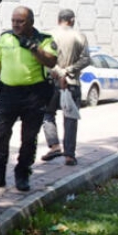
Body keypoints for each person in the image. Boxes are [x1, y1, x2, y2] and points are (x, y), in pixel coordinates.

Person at [0, 6, 57, 192]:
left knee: (29, 138)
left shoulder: (44, 40)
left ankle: (22, 174)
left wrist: (33, 47)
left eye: (20, 21)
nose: (16, 24)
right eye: (13, 20)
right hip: (7, 95)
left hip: (34, 95)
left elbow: (51, 61)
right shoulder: (5, 37)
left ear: (30, 21)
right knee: (0, 136)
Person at [40, 9, 90, 167]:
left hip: (50, 82)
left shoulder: (48, 36)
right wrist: (67, 71)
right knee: (70, 119)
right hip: (72, 82)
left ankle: (54, 146)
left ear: (58, 19)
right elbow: (86, 59)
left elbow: (42, 59)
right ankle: (69, 155)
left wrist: (57, 72)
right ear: (72, 20)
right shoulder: (79, 36)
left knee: (47, 114)